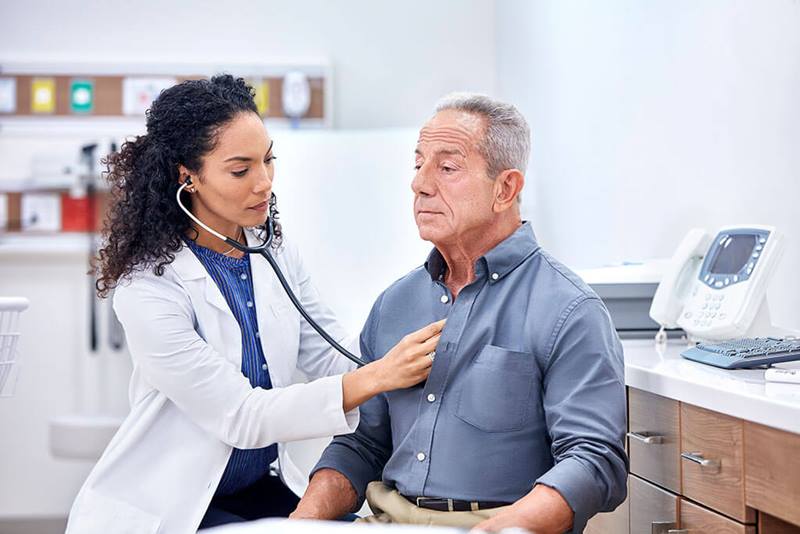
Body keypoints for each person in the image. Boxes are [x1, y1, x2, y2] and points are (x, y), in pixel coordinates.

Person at [65, 75, 444, 534]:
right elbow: (241, 416)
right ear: (188, 176)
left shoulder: (271, 251)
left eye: (269, 161)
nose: (264, 183)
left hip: (256, 484)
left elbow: (327, 352)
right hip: (176, 503)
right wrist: (378, 377)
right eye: (240, 170)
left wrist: (416, 365)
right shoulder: (148, 288)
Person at [291, 93, 628, 533]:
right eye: (418, 165)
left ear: (505, 189)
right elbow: (362, 444)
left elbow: (593, 459)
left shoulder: (569, 310)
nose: (420, 184)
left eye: (447, 168)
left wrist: (496, 530)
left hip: (499, 524)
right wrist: (298, 523)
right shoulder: (395, 304)